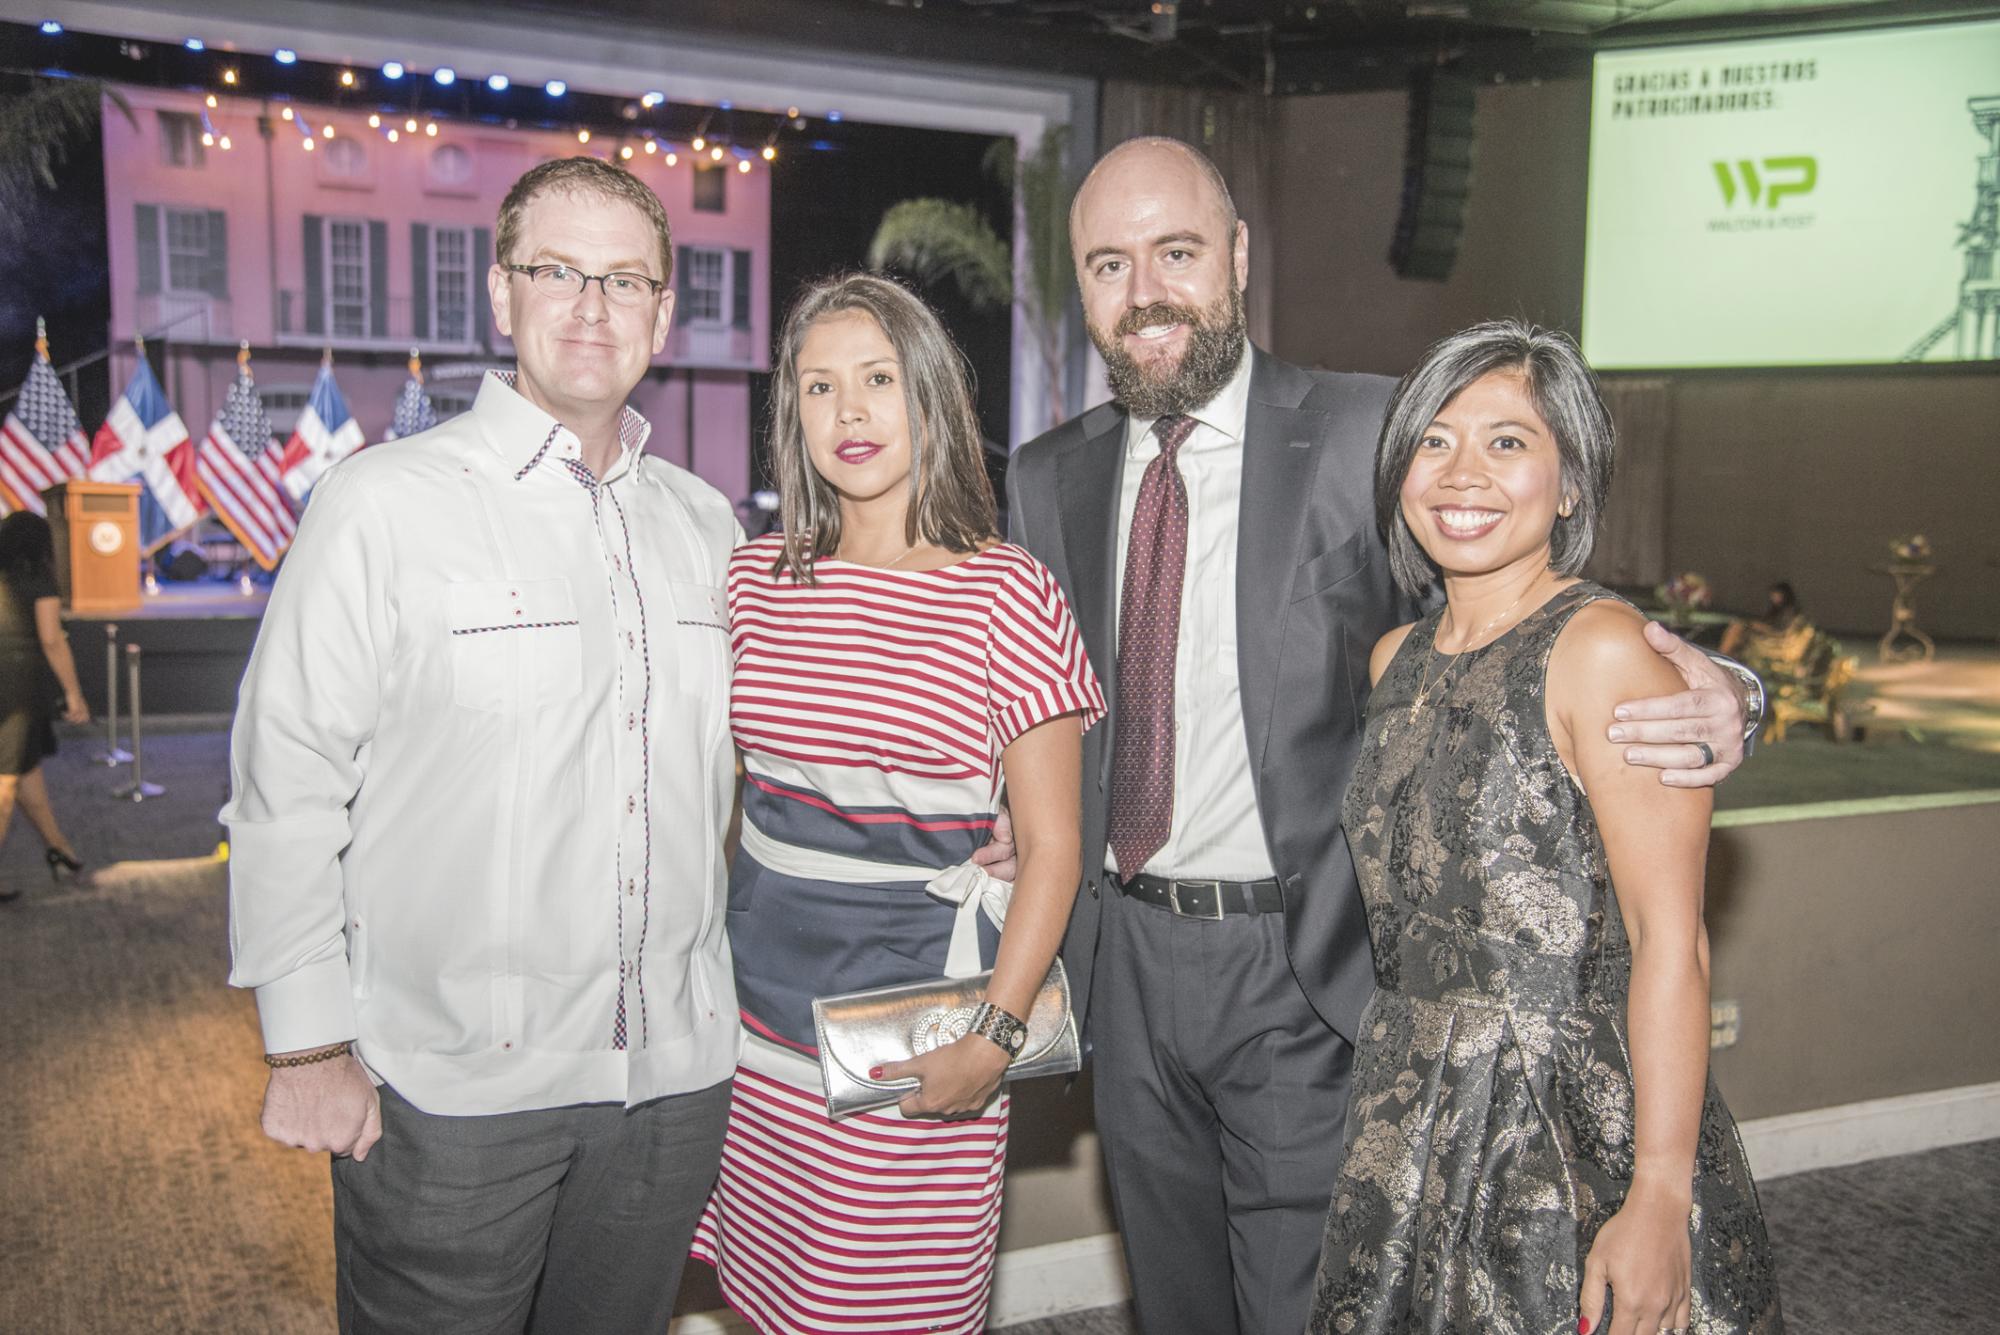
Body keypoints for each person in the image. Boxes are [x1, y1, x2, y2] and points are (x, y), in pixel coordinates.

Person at [1002, 137, 1761, 1335]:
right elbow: (1036, 693)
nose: (1143, 290)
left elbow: (1529, 601)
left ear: (1238, 259)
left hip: (1305, 969)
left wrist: (1724, 684)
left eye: (1176, 252)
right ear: (1078, 287)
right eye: (1108, 262)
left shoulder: (1375, 432)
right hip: (1124, 967)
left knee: (1310, 1307)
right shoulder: (1046, 479)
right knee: (1176, 1298)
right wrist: (1020, 824)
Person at [225, 157, 740, 1333]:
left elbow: (770, 748)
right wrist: (306, 1047)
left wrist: (986, 806)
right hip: (454, 1094)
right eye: (557, 271)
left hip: (670, 1088)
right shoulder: (382, 506)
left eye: (625, 280)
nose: (591, 306)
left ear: (663, 313)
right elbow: (285, 781)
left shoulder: (706, 528)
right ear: (501, 295)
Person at [1308, 320, 1782, 1334]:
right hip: (1408, 1107)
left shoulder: (1599, 647)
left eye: (1506, 441)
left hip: (1563, 1125)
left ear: (1568, 483)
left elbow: (1671, 940)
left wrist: (1655, 1194)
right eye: (1431, 440)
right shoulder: (1396, 657)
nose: (1460, 472)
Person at [689, 273, 1103, 1335]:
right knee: (769, 1297)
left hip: (913, 1021)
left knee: (882, 1304)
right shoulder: (750, 581)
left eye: (877, 379)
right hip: (749, 1021)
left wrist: (991, 1036)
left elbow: (1053, 849)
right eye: (819, 387)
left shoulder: (1005, 589)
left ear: (928, 395)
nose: (850, 412)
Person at [0, 511, 89, 903]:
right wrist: (74, 693)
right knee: (6, 782)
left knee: (25, 770)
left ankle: (59, 848)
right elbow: (52, 640)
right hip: (17, 688)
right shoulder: (40, 578)